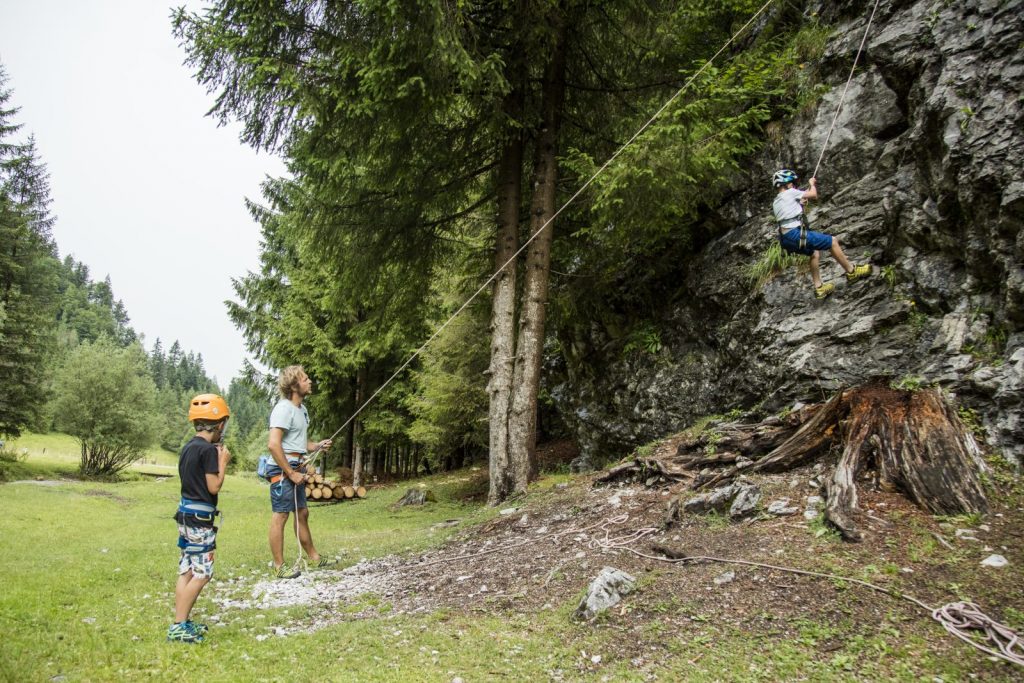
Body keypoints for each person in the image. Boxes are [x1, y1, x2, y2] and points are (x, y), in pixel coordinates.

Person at [168, 394, 232, 644]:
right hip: (199, 520)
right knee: (202, 573)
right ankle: (177, 626)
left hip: (184, 515)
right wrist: (223, 463)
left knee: (186, 570)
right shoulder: (207, 451)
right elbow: (213, 486)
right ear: (218, 425)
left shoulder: (188, 447)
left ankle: (181, 621)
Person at [267, 364, 337, 578]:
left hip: (297, 468)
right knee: (281, 515)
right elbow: (273, 444)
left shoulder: (302, 410)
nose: (310, 381)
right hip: (282, 470)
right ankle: (280, 567)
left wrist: (317, 446)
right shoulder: (283, 409)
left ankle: (315, 558)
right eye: (305, 379)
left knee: (302, 513)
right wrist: (290, 472)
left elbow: (301, 442)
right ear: (294, 385)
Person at [772, 169, 871, 299]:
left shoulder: (777, 201)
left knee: (814, 253)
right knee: (832, 241)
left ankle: (819, 288)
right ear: (786, 184)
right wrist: (811, 183)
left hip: (785, 238)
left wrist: (800, 203)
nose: (793, 185)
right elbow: (813, 195)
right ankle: (852, 271)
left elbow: (789, 212)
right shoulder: (790, 193)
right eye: (791, 183)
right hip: (794, 234)